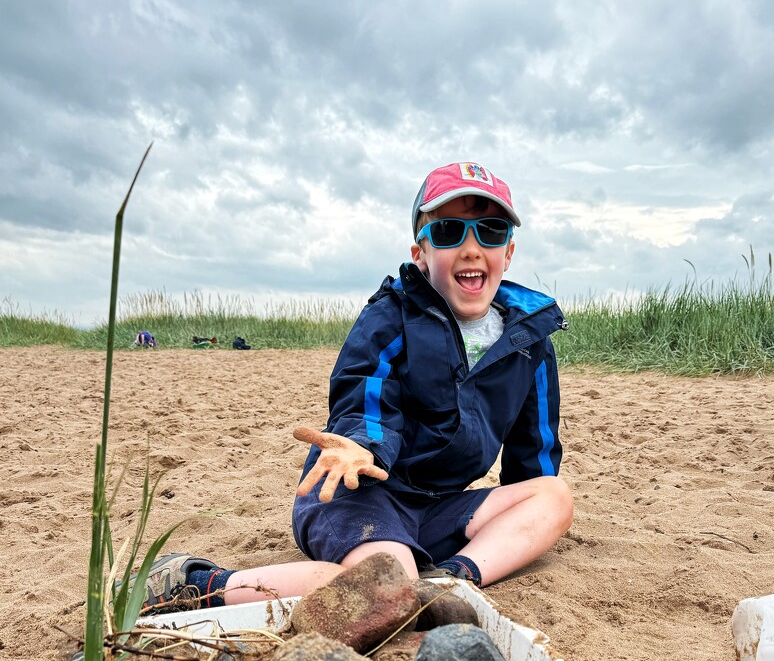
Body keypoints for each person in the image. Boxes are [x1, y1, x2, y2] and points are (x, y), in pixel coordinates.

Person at [140, 161, 573, 614]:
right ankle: (202, 585)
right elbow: (364, 390)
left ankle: (449, 579)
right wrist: (361, 445)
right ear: (420, 253)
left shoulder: (529, 341)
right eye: (448, 231)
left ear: (508, 252)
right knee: (386, 586)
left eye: (490, 231)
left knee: (552, 496)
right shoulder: (393, 316)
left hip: (439, 508)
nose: (471, 247)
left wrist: (523, 516)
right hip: (356, 490)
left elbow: (534, 452)